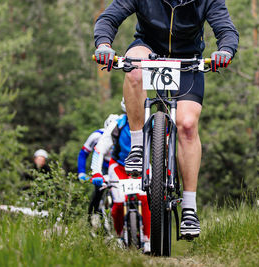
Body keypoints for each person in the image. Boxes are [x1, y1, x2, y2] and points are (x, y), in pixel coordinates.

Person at [93, 0, 239, 238]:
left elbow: (226, 29)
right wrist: (104, 45)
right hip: (148, 49)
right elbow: (108, 18)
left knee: (188, 125)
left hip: (188, 60)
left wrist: (225, 50)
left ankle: (189, 208)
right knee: (134, 69)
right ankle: (138, 146)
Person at [90, 111, 151, 253]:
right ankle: (119, 237)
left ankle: (147, 239)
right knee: (118, 202)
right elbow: (99, 149)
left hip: (143, 166)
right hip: (119, 166)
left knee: (146, 198)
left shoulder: (149, 120)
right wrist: (97, 173)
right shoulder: (117, 124)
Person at [77, 112, 121, 221]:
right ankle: (93, 216)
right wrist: (81, 172)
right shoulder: (96, 136)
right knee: (99, 190)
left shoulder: (123, 134)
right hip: (102, 165)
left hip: (117, 165)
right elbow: (83, 154)